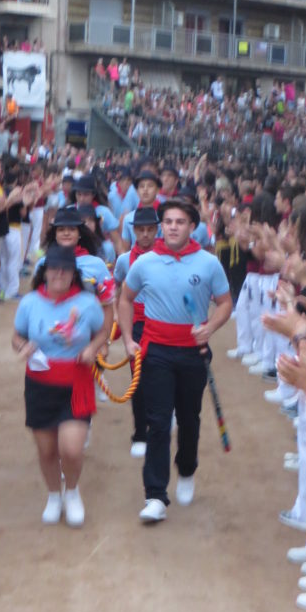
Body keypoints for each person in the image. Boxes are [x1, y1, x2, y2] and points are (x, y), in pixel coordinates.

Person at [118, 198, 232, 522]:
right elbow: (125, 299)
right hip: (156, 352)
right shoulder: (145, 263)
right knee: (158, 422)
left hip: (193, 352)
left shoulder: (208, 264)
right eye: (167, 221)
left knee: (189, 419)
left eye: (179, 222)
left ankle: (187, 468)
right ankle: (155, 494)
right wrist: (128, 339)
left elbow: (225, 303)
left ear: (191, 226)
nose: (172, 227)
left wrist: (209, 327)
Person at [12, 244, 108, 527]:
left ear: (73, 274)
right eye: (54, 269)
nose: (59, 274)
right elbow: (16, 337)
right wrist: (24, 346)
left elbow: (102, 332)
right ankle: (54, 495)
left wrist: (93, 349)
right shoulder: (29, 302)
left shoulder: (88, 303)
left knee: (72, 449)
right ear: (44, 272)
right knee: (47, 451)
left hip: (76, 382)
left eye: (65, 270)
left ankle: (73, 491)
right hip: (40, 384)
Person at [114, 206, 159, 458]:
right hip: (137, 324)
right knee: (138, 379)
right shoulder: (124, 261)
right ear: (133, 231)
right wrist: (121, 327)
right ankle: (140, 432)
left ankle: (161, 418)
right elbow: (118, 292)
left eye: (149, 230)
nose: (144, 235)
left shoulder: (166, 257)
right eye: (140, 230)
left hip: (162, 322)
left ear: (156, 230)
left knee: (161, 375)